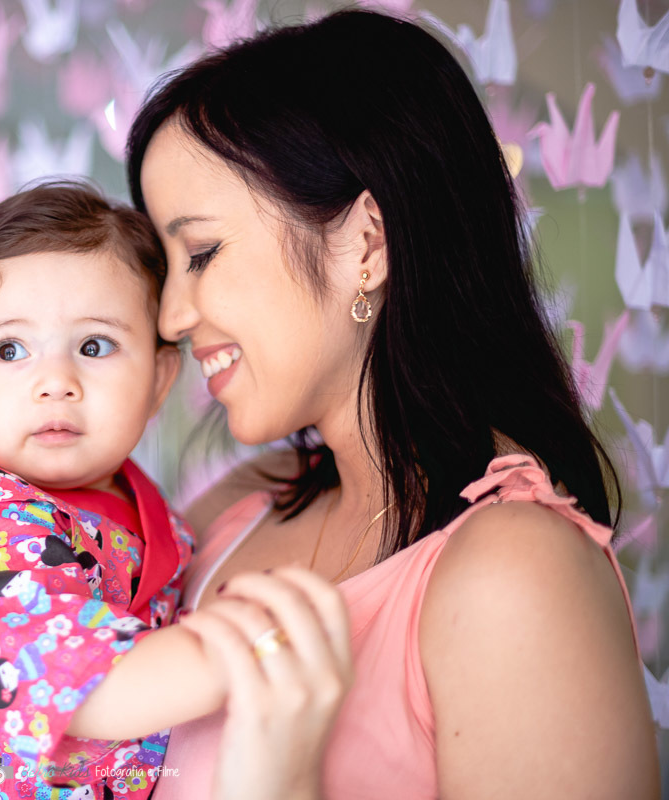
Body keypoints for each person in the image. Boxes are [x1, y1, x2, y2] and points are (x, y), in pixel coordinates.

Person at [119, 9, 660, 800]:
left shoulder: (514, 577)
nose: (170, 317)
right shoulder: (236, 512)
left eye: (200, 253)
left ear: (366, 243)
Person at [0, 180, 227, 800]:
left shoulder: (145, 508)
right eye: (10, 350)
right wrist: (233, 654)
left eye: (93, 346)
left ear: (161, 378)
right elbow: (85, 686)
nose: (55, 382)